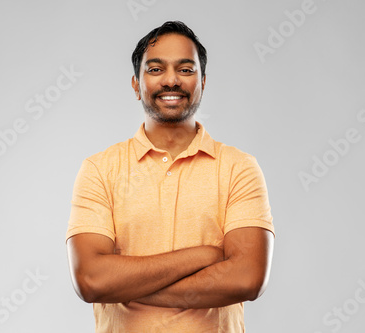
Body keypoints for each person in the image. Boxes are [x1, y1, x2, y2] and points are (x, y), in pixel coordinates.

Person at [66, 21, 275, 332]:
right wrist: (203, 255)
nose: (171, 80)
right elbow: (91, 279)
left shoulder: (238, 168)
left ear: (203, 81)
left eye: (186, 69)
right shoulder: (100, 169)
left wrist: (130, 286)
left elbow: (248, 277)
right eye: (155, 69)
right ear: (136, 85)